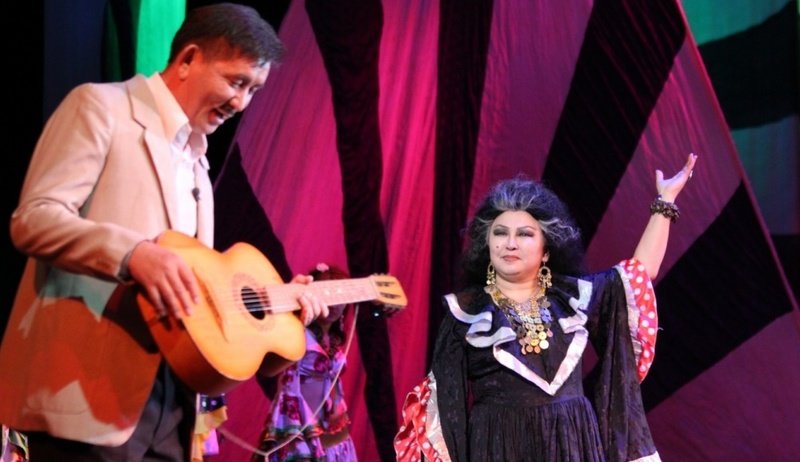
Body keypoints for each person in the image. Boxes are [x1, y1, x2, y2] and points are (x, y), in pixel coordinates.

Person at [0, 4, 329, 461]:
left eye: (253, 90)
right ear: (189, 59)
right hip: (87, 392)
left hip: (171, 409)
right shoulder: (102, 107)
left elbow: (194, 296)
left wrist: (280, 309)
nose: (241, 103)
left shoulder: (197, 161)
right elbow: (35, 219)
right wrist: (133, 253)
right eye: (235, 82)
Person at [395, 154, 698, 461]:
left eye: (524, 234)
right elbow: (448, 409)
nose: (510, 243)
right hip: (499, 449)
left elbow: (638, 274)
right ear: (486, 245)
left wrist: (665, 201)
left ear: (546, 252)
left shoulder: (572, 298)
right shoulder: (465, 313)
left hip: (573, 445)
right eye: (500, 233)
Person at [252, 262, 359, 462]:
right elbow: (272, 369)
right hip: (301, 430)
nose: (334, 303)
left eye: (340, 295)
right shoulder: (297, 330)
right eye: (326, 293)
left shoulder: (335, 340)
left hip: (335, 431)